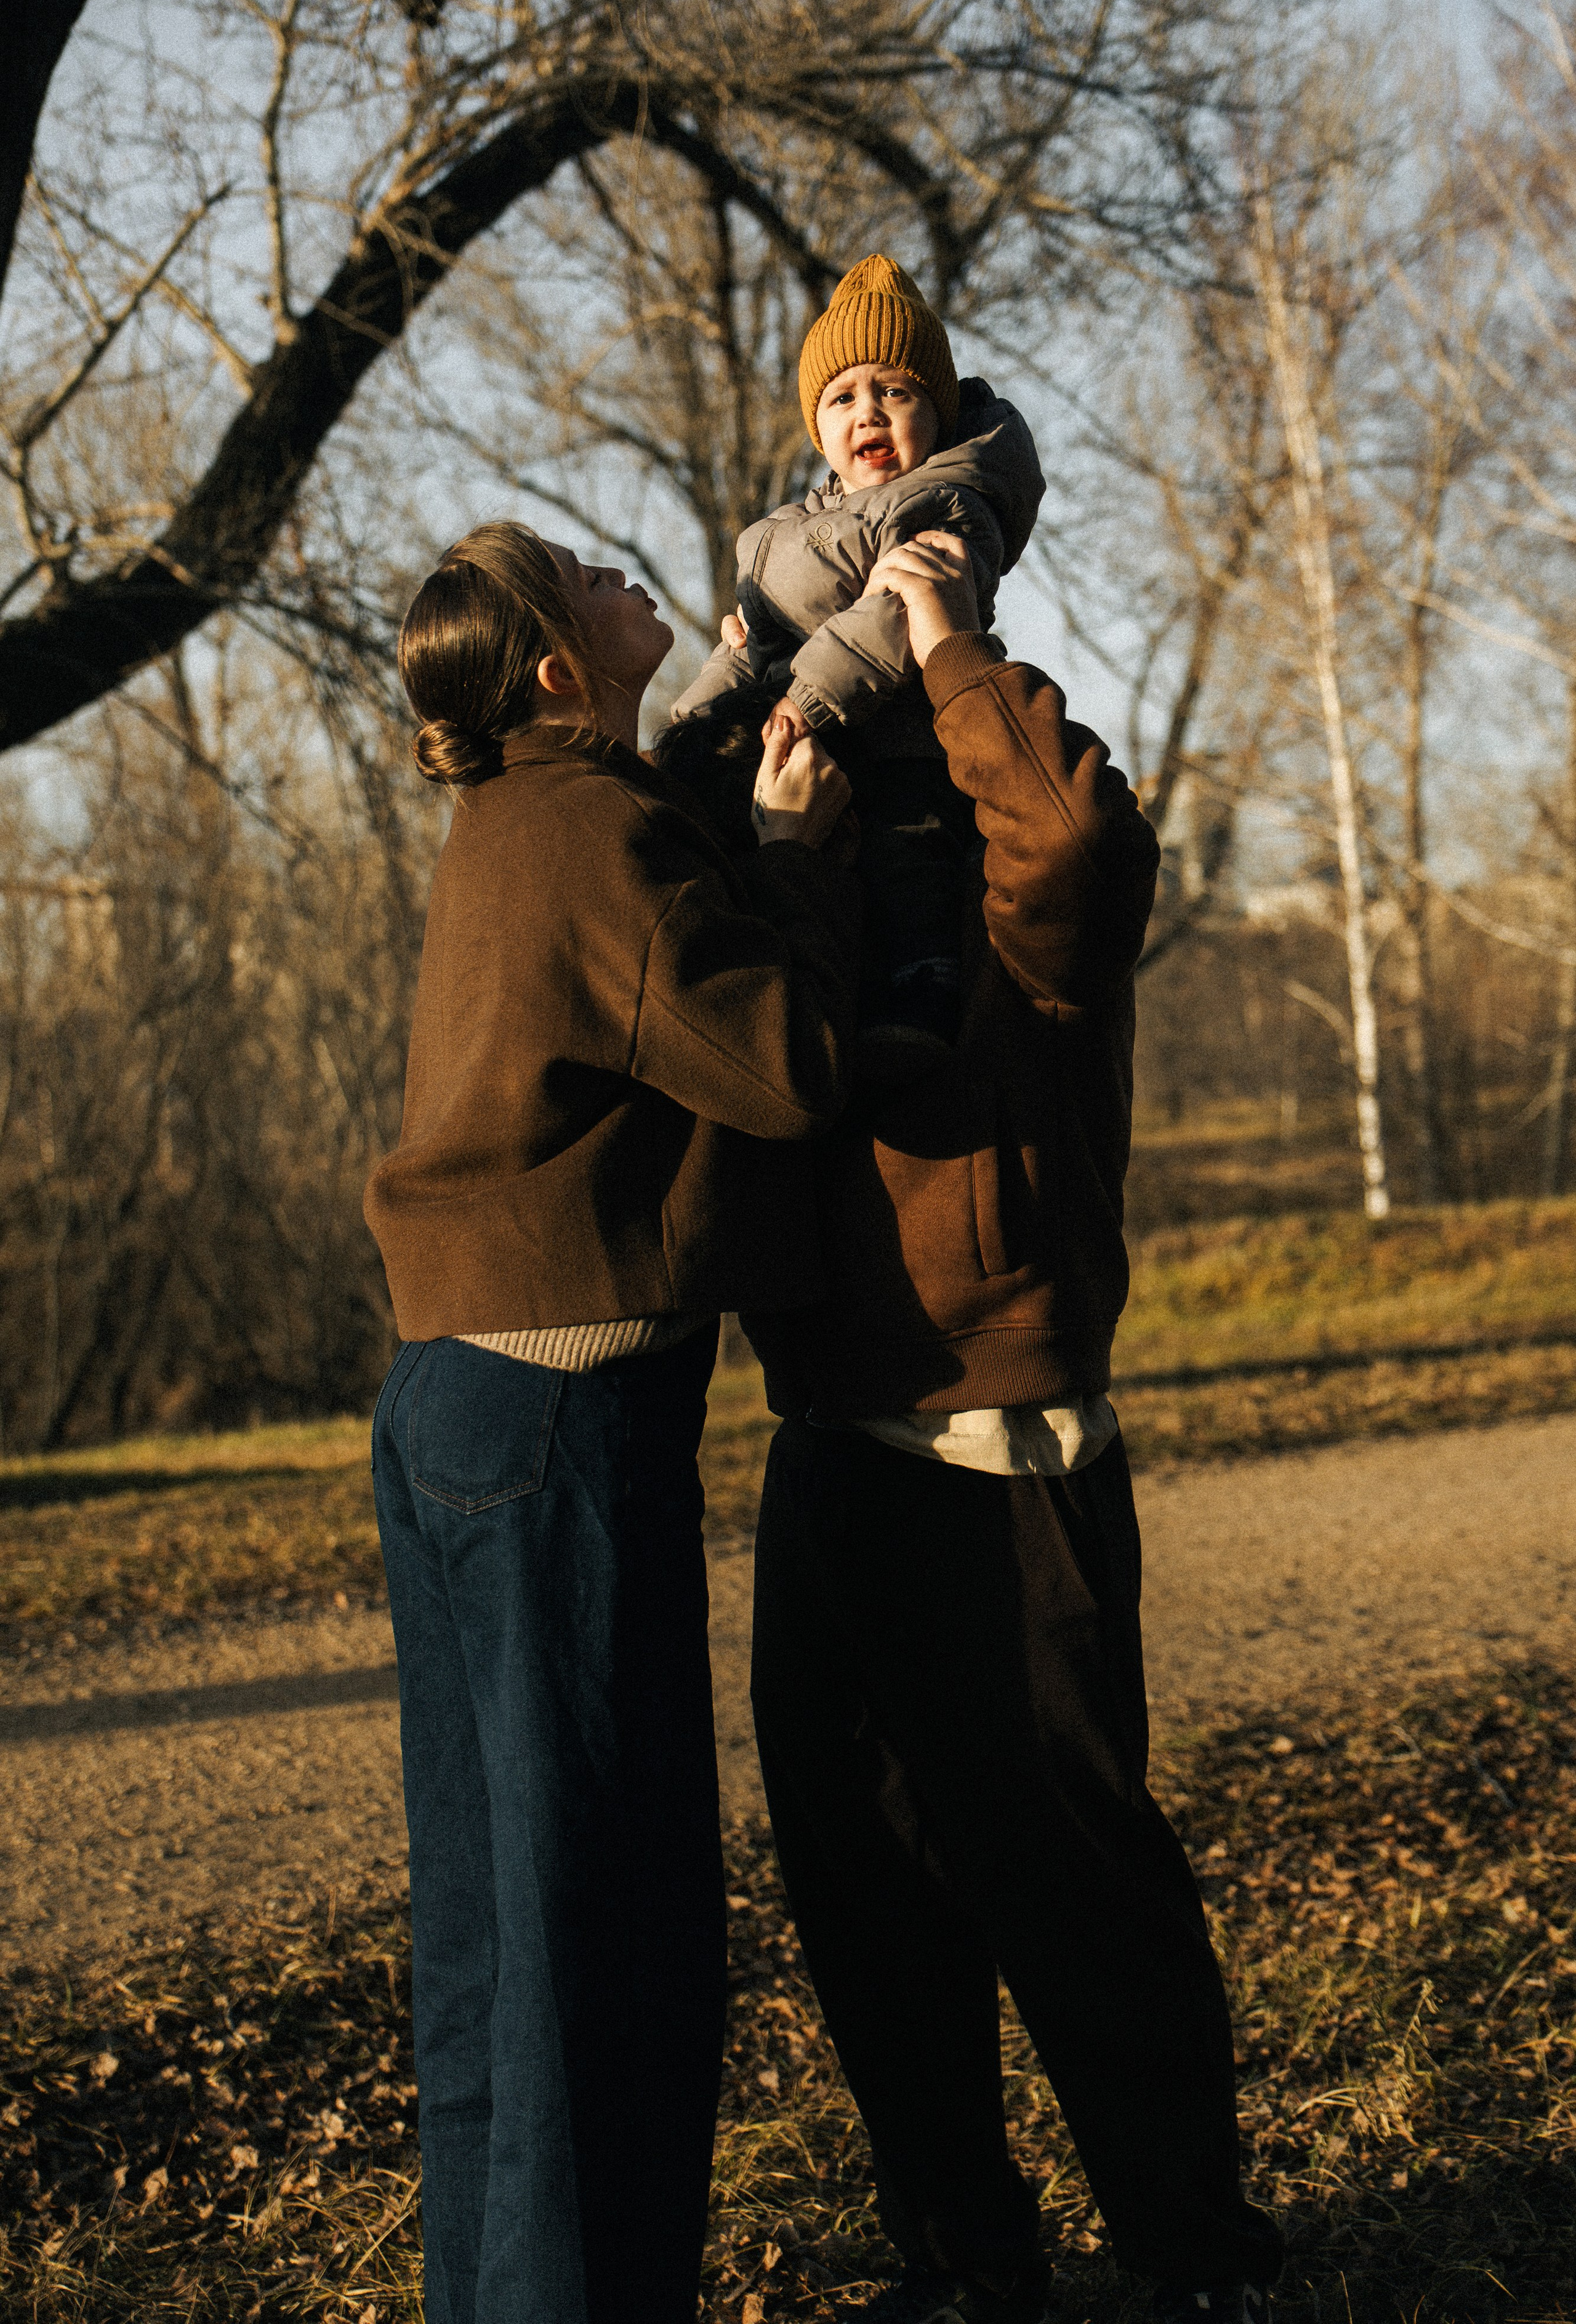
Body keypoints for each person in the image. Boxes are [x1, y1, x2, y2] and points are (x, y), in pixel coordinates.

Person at [741, 534, 1286, 2324]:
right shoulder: (824, 826)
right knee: (865, 1885)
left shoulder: (1027, 881)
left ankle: (1194, 2263)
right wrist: (792, 834)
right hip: (831, 1425)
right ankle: (968, 2261)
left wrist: (949, 638)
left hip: (1002, 1441)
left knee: (1073, 1883)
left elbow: (1078, 842)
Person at [361, 520, 858, 2324]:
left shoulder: (522, 820)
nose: (619, 572)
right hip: (560, 1425)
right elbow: (789, 1065)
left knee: (493, 1938)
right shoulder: (595, 833)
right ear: (558, 668)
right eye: (581, 574)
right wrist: (794, 858)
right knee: (604, 1937)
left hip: (447, 1399)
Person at [671, 254, 1044, 1073]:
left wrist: (804, 698)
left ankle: (917, 998)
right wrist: (694, 721)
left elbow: (893, 617)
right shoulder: (794, 529)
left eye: (896, 392)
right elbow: (751, 639)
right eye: (842, 398)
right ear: (819, 429)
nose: (868, 412)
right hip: (799, 739)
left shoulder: (950, 502)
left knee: (910, 860)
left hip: (901, 742)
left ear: (937, 413)